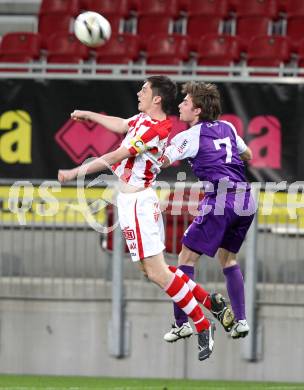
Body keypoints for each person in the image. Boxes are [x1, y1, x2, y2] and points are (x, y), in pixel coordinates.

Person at [57, 75, 232, 361]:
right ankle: (208, 300)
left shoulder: (157, 129)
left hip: (139, 202)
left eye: (144, 89)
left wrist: (75, 173)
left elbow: (117, 155)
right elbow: (122, 125)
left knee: (157, 272)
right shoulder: (141, 121)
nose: (139, 93)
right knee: (148, 270)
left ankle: (202, 325)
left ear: (157, 99)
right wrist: (90, 115)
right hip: (128, 202)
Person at [162, 81, 255, 343]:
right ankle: (241, 321)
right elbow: (246, 154)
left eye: (186, 102)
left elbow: (163, 160)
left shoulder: (189, 136)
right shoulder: (228, 128)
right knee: (229, 260)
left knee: (186, 259)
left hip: (221, 200)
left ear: (198, 110)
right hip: (245, 200)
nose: (180, 105)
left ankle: (182, 324)